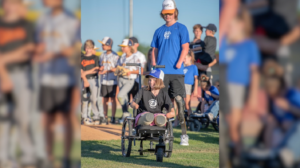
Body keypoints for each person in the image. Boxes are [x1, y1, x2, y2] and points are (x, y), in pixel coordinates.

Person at [34, 0, 80, 166]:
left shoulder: (71, 21)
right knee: (47, 118)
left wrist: (52, 54)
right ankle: (49, 156)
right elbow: (37, 45)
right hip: (45, 77)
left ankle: (66, 157)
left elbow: (75, 49)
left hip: (64, 78)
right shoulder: (41, 21)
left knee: (66, 118)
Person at [219, 7, 261, 156]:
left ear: (242, 24)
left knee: (234, 127)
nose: (228, 30)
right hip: (225, 88)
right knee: (228, 126)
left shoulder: (249, 45)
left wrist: (253, 96)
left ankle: (239, 156)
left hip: (237, 89)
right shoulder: (227, 45)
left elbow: (255, 72)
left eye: (231, 26)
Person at [0, 0, 35, 166]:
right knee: (5, 118)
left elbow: (28, 51)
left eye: (15, 2)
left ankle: (28, 154)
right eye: (8, 2)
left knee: (23, 117)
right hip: (2, 76)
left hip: (22, 75)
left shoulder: (26, 25)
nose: (11, 5)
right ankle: (4, 155)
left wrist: (5, 58)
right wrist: (4, 75)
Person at [151, 0, 190, 146]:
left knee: (179, 102)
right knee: (162, 103)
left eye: (170, 13)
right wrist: (154, 64)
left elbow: (185, 47)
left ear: (175, 12)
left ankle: (184, 135)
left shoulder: (182, 28)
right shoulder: (158, 31)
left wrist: (180, 62)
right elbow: (154, 49)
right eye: (165, 14)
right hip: (161, 72)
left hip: (176, 71)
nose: (167, 16)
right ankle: (163, 132)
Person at [114, 39, 144, 124]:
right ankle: (125, 115)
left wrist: (130, 72)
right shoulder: (122, 57)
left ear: (130, 47)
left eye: (124, 46)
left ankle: (127, 113)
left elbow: (141, 70)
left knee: (120, 96)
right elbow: (118, 68)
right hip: (121, 79)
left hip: (131, 79)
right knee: (124, 98)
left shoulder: (135, 57)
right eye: (122, 47)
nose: (122, 48)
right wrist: (119, 71)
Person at [81, 40, 103, 125]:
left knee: (94, 99)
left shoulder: (95, 57)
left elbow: (96, 69)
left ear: (92, 48)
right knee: (85, 100)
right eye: (86, 48)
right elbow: (80, 71)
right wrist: (85, 79)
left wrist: (86, 72)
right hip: (84, 80)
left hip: (94, 80)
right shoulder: (82, 58)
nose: (88, 50)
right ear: (84, 48)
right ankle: (84, 117)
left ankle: (96, 117)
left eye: (90, 48)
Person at [98, 37, 119, 124]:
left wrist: (108, 70)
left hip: (112, 81)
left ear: (109, 45)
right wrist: (101, 69)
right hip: (103, 81)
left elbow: (117, 69)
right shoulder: (102, 55)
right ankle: (105, 117)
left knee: (113, 99)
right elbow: (100, 67)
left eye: (103, 44)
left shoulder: (115, 55)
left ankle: (113, 117)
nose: (102, 46)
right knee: (105, 99)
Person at [127, 37, 147, 101]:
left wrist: (130, 72)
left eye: (132, 43)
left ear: (137, 44)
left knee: (136, 100)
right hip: (126, 80)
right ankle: (125, 111)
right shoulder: (126, 55)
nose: (130, 45)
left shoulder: (141, 56)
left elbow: (141, 70)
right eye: (129, 43)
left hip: (137, 81)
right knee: (126, 100)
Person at [183, 50, 198, 117]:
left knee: (187, 104)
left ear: (190, 58)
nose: (184, 60)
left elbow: (196, 79)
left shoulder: (193, 67)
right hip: (181, 85)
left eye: (185, 58)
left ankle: (190, 119)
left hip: (188, 86)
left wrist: (195, 89)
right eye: (183, 58)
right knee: (181, 103)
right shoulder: (183, 67)